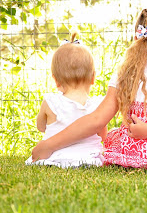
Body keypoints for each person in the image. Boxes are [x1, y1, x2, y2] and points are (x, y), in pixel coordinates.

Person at [32, 3, 147, 168]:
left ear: (138, 37)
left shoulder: (126, 73)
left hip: (135, 149)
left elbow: (97, 120)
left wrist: (49, 144)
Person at [26, 33, 106, 168]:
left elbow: (40, 127)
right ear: (93, 78)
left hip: (56, 157)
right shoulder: (98, 106)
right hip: (89, 158)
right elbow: (102, 136)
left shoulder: (50, 102)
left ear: (56, 80)